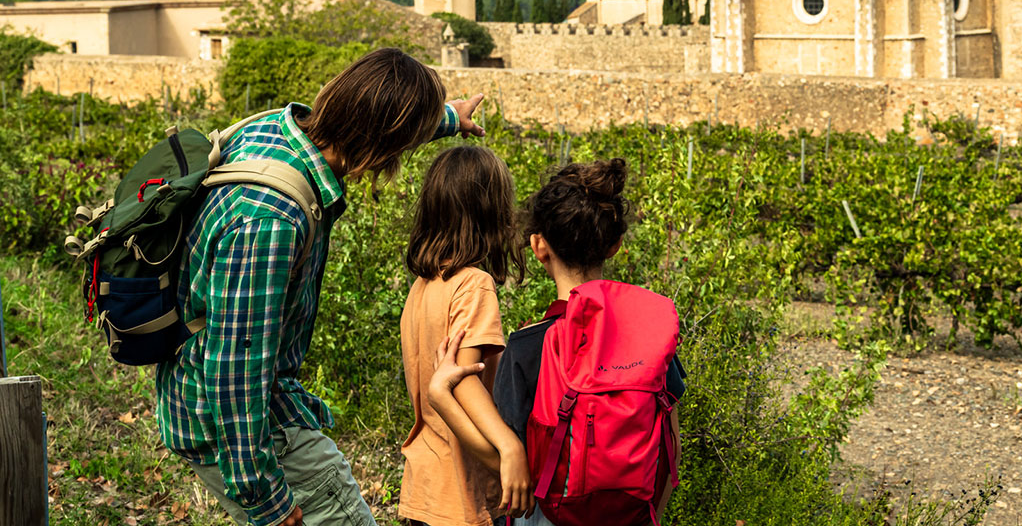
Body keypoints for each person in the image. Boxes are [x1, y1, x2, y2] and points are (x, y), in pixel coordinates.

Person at [158, 47, 488, 526]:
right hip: (235, 424)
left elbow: (374, 122)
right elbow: (235, 367)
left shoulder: (276, 128)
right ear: (384, 141)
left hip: (209, 400)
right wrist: (263, 495)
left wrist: (447, 118)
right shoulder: (269, 220)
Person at [429, 159, 686, 526]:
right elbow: (670, 442)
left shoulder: (529, 345)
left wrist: (441, 397)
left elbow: (510, 463)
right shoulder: (651, 334)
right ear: (614, 245)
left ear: (538, 246)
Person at [397, 146, 532, 526]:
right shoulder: (474, 284)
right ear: (493, 213)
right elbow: (462, 381)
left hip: (423, 484)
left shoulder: (422, 288)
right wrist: (510, 447)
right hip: (460, 493)